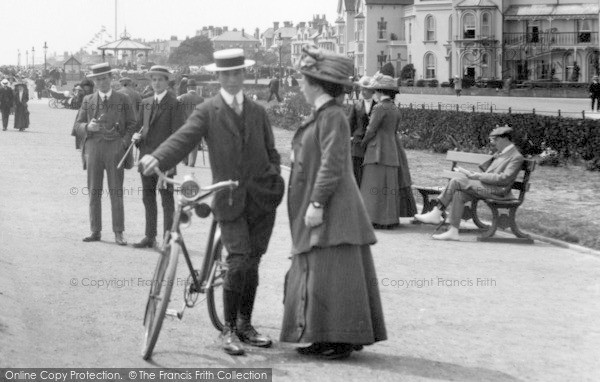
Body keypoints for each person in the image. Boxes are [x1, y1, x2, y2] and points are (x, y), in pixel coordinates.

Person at [138, 49, 284, 356]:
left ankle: (245, 324)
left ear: (244, 75)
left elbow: (272, 152)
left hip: (261, 200)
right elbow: (184, 137)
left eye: (237, 73)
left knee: (253, 261)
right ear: (217, 76)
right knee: (240, 258)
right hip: (228, 199)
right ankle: (228, 330)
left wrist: (274, 181)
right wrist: (157, 156)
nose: (232, 79)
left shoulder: (257, 112)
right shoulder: (208, 110)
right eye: (226, 74)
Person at [281, 46, 386, 360]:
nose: (299, 84)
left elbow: (333, 164)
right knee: (325, 274)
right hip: (328, 206)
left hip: (332, 208)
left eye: (303, 79)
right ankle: (325, 335)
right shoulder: (325, 115)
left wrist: (317, 203)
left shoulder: (333, 117)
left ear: (316, 83)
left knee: (333, 274)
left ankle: (339, 339)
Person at [414, 125, 524, 241]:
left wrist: (478, 176)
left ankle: (437, 212)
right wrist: (472, 174)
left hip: (498, 191)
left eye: (495, 140)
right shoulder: (502, 153)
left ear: (504, 139)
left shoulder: (516, 157)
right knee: (459, 194)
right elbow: (489, 172)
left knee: (456, 181)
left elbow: (504, 179)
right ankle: (453, 231)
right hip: (488, 187)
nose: (493, 143)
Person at [73, 62, 137, 245]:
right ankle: (95, 230)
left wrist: (123, 143)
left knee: (116, 191)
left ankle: (118, 231)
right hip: (93, 148)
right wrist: (88, 127)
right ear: (93, 81)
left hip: (115, 148)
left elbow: (133, 123)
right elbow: (77, 126)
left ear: (111, 78)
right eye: (97, 79)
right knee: (94, 190)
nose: (101, 82)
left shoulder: (123, 99)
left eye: (104, 78)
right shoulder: (88, 100)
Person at [131, 66, 184, 249]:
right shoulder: (145, 103)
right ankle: (150, 236)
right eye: (153, 80)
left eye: (160, 79)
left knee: (167, 200)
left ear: (167, 82)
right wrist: (136, 138)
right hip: (146, 159)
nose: (156, 83)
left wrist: (171, 163)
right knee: (148, 198)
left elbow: (177, 136)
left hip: (164, 161)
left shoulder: (175, 103)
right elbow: (139, 128)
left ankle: (167, 239)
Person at [358, 71, 404, 229]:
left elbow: (371, 130)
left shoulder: (378, 108)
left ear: (380, 92)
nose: (374, 93)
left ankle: (373, 218)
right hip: (392, 151)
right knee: (388, 187)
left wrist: (363, 143)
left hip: (376, 151)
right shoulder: (395, 109)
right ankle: (389, 219)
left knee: (373, 186)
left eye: (375, 90)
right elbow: (394, 130)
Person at [347, 75, 376, 185]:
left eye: (366, 89)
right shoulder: (357, 105)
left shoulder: (377, 106)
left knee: (368, 174)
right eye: (362, 89)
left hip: (371, 144)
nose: (363, 92)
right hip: (357, 144)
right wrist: (350, 139)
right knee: (356, 174)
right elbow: (350, 124)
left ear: (372, 91)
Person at [177, 79, 204, 167]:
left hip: (184, 124)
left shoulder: (182, 97)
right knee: (194, 144)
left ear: (187, 88)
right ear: (195, 88)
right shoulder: (201, 99)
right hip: (196, 124)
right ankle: (192, 163)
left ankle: (185, 160)